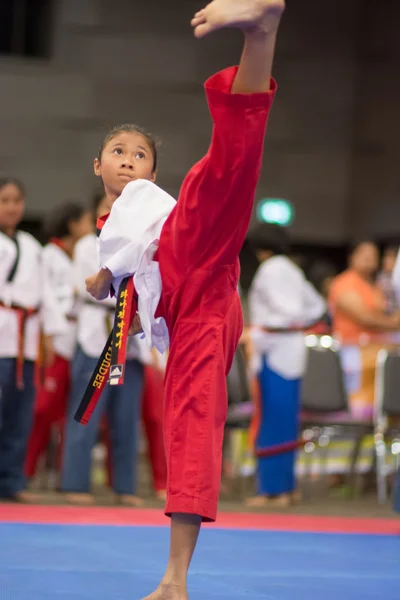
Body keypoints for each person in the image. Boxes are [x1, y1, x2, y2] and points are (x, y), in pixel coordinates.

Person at [84, 1, 284, 598]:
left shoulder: (148, 205)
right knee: (190, 427)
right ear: (98, 165)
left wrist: (101, 281)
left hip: (191, 254)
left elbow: (128, 270)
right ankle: (176, 578)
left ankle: (261, 33)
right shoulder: (108, 226)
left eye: (139, 154)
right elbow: (124, 285)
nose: (127, 160)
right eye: (118, 152)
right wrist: (102, 282)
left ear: (151, 173)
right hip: (192, 305)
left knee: (224, 168)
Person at [61, 193, 145, 506]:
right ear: (98, 212)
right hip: (97, 335)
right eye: (107, 207)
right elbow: (95, 288)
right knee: (86, 412)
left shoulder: (140, 248)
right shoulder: (87, 245)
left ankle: (125, 487)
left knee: (127, 417)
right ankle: (75, 483)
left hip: (132, 338)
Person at [246, 223, 325, 507]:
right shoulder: (293, 269)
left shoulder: (271, 269)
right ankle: (287, 488)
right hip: (290, 346)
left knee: (272, 419)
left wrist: (277, 324)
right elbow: (316, 306)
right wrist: (298, 323)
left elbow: (289, 310)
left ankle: (271, 490)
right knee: (286, 419)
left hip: (274, 348)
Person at [24, 203, 93, 483]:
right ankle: (24, 471)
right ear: (73, 224)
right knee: (41, 410)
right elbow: (45, 298)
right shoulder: (49, 255)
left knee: (66, 416)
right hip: (54, 339)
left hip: (76, 340)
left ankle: (60, 476)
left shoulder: (80, 255)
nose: (91, 226)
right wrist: (46, 338)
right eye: (87, 220)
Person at [0, 177, 55, 501]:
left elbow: (46, 295)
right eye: (5, 200)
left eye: (17, 200)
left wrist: (46, 338)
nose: (12, 207)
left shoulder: (34, 247)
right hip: (2, 334)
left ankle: (11, 481)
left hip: (26, 340)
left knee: (21, 415)